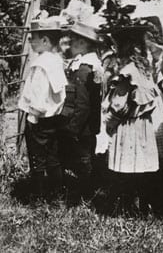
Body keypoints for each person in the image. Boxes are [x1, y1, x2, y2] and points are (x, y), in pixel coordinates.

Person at [99, 0, 163, 215]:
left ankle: (125, 207)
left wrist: (108, 123)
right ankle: (142, 206)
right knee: (141, 166)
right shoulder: (143, 68)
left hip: (129, 126)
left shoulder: (127, 72)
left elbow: (120, 105)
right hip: (143, 126)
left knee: (127, 167)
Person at [18, 15, 67, 201]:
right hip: (54, 117)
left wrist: (33, 117)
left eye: (33, 38)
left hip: (39, 119)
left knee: (37, 158)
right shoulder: (56, 61)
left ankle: (37, 195)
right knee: (53, 157)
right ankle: (57, 192)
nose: (30, 42)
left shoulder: (40, 65)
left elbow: (38, 94)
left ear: (45, 40)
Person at [60, 20, 103, 200]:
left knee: (83, 158)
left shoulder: (84, 70)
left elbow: (83, 104)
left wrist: (73, 128)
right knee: (85, 156)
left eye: (75, 41)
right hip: (88, 125)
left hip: (82, 125)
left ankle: (86, 193)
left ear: (84, 44)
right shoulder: (91, 65)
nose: (71, 45)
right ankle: (88, 189)